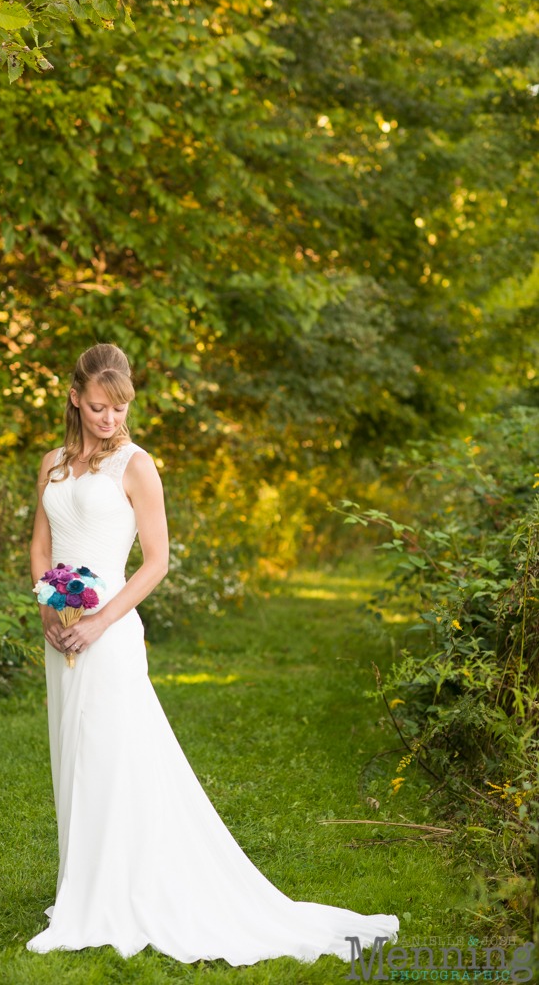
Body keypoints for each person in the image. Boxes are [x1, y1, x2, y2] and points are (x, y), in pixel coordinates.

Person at [27, 343, 399, 963]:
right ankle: (82, 886)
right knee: (71, 753)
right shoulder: (52, 464)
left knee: (111, 755)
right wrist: (48, 608)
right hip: (60, 627)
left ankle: (117, 893)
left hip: (109, 629)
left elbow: (157, 562)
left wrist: (96, 624)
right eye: (98, 407)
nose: (110, 420)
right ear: (74, 398)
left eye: (120, 409)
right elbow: (41, 543)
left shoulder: (136, 465)